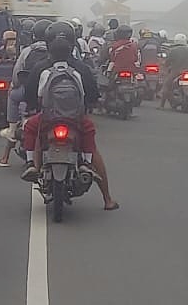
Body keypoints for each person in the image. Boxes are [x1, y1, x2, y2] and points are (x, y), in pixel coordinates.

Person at [18, 21, 118, 210]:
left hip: (47, 119)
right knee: (92, 145)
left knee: (31, 128)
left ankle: (32, 163)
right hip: (76, 120)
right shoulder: (81, 68)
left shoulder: (41, 68)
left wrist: (34, 107)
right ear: (73, 44)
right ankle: (106, 198)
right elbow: (92, 95)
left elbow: (30, 95)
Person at [0, 19, 52, 168]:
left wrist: (14, 85)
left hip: (28, 93)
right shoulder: (57, 50)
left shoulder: (28, 51)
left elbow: (17, 74)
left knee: (12, 96)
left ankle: (12, 130)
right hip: (51, 95)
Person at [158, 33, 188, 109]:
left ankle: (161, 105)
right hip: (187, 72)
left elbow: (168, 62)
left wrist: (165, 65)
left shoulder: (173, 50)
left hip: (176, 72)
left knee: (166, 85)